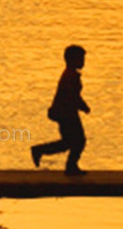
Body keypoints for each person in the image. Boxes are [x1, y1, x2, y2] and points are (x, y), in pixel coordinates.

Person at [31, 44, 90, 176]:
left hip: (68, 112)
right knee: (78, 141)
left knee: (69, 142)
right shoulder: (70, 76)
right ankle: (70, 166)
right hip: (66, 113)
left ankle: (41, 151)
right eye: (80, 59)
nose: (83, 62)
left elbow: (74, 95)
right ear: (71, 60)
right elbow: (71, 95)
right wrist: (82, 106)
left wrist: (82, 105)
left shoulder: (71, 74)